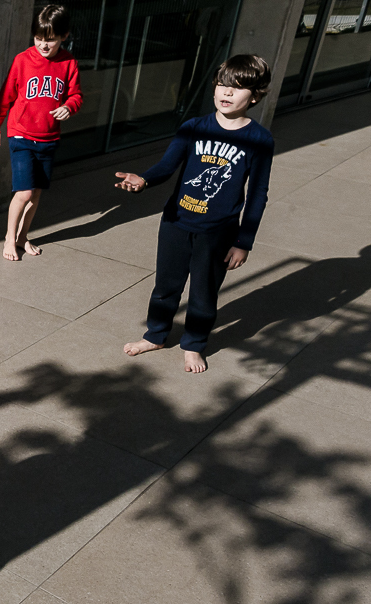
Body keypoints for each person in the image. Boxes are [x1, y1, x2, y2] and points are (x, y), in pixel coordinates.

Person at [116, 54, 274, 374]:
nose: (226, 92)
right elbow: (167, 165)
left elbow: (258, 194)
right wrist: (144, 180)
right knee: (165, 287)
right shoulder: (193, 128)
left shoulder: (259, 140)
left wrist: (243, 242)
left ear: (255, 96)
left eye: (237, 87)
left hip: (218, 232)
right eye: (222, 84)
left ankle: (194, 344)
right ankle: (156, 335)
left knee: (204, 293)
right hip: (176, 222)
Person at [0, 4, 82, 261]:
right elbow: (5, 96)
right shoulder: (22, 60)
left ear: (64, 36)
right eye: (38, 38)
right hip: (21, 135)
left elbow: (76, 95)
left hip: (49, 138)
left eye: (49, 40)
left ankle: (22, 237)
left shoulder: (69, 63)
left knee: (36, 192)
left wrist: (69, 107)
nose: (42, 44)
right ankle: (9, 238)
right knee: (25, 192)